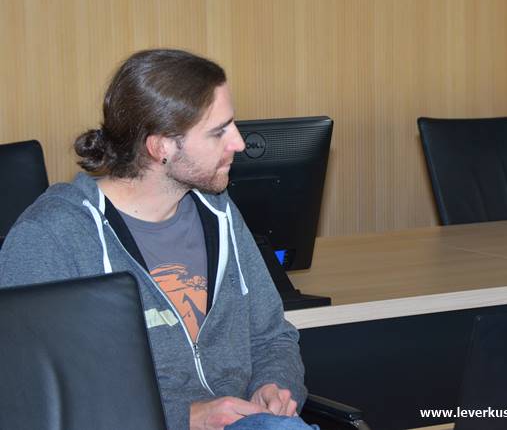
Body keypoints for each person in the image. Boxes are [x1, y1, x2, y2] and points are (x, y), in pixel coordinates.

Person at [0, 50, 317, 430]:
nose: (239, 143)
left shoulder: (219, 212)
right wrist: (184, 418)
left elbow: (272, 338)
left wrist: (273, 385)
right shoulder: (52, 237)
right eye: (218, 131)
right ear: (161, 147)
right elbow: (29, 401)